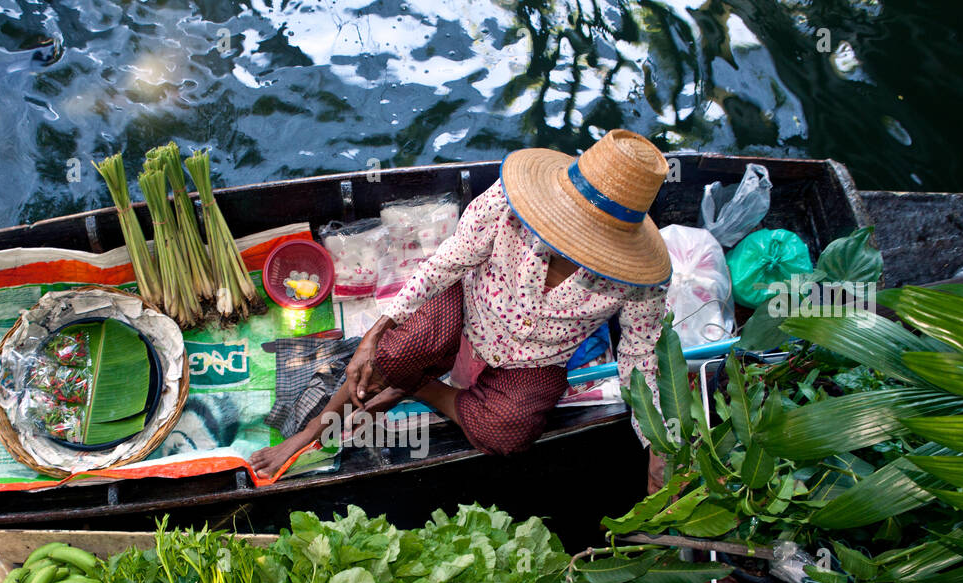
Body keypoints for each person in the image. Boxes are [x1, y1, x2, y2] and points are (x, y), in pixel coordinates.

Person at [250, 128, 673, 493]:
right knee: (394, 353)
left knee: (510, 431)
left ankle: (415, 387)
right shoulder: (509, 204)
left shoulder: (641, 279)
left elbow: (641, 357)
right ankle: (311, 432)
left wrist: (657, 445)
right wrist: (378, 332)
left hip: (535, 361)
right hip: (470, 307)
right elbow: (448, 262)